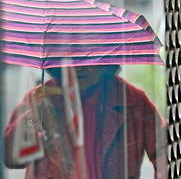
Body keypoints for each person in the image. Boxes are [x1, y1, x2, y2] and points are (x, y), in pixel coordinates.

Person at [4, 65, 167, 179]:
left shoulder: (132, 99)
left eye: (89, 56)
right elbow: (13, 159)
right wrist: (31, 114)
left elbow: (164, 152)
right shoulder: (40, 98)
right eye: (72, 57)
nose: (80, 66)